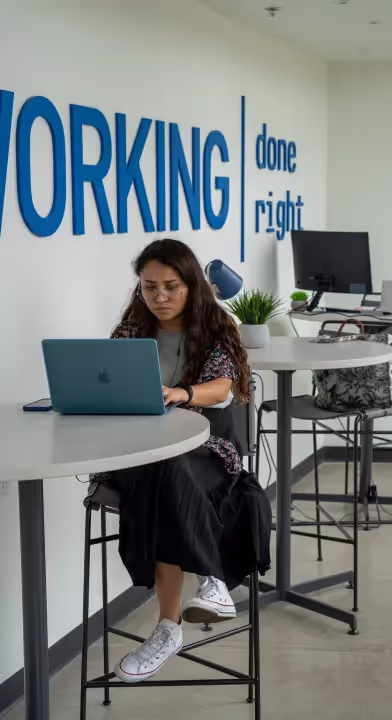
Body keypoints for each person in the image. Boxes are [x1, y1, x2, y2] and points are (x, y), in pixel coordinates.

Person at [88, 239, 271, 684]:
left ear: (192, 284)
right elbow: (107, 379)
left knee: (167, 475)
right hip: (141, 451)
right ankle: (212, 581)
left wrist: (181, 394)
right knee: (160, 473)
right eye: (150, 288)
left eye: (171, 286)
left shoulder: (214, 326)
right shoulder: (132, 331)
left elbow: (224, 389)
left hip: (205, 449)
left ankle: (169, 628)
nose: (160, 297)